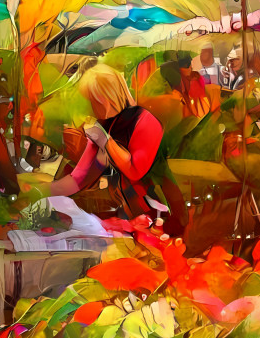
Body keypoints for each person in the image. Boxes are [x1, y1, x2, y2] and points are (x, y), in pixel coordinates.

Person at [23, 64, 187, 234]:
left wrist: (105, 141)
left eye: (93, 101)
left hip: (161, 213)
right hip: (130, 217)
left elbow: (135, 170)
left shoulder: (145, 121)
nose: (91, 108)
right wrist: (41, 191)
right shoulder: (105, 126)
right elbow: (79, 179)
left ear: (105, 98)